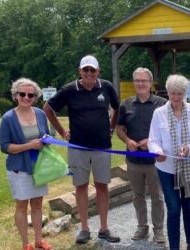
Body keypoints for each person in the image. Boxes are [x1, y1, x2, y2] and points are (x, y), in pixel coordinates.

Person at [43, 55, 120, 244]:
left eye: (92, 70)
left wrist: (111, 128)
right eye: (85, 70)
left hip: (102, 146)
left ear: (98, 71)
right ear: (80, 71)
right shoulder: (70, 89)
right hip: (78, 147)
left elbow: (117, 109)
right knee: (81, 186)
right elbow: (47, 108)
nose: (89, 73)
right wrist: (61, 131)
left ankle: (104, 228)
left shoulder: (107, 87)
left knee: (102, 186)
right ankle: (85, 229)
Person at [148, 74, 190, 250]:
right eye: (173, 93)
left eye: (180, 94)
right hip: (167, 168)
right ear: (167, 93)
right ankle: (174, 246)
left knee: (189, 206)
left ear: (185, 93)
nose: (176, 97)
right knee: (173, 208)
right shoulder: (159, 113)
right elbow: (153, 140)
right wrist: (157, 152)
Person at [0, 78, 52, 250]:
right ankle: (25, 244)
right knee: (22, 206)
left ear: (35, 97)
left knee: (37, 205)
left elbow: (48, 136)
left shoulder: (40, 114)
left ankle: (38, 240)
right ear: (15, 95)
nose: (26, 97)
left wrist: (47, 141)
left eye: (31, 94)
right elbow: (5, 147)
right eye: (22, 94)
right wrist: (29, 145)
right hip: (19, 169)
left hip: (38, 168)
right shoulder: (8, 118)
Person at [116, 67, 166, 243]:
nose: (140, 83)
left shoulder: (161, 103)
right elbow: (119, 128)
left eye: (144, 80)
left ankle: (158, 230)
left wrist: (151, 141)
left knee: (157, 197)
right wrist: (127, 141)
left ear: (150, 83)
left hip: (154, 161)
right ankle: (142, 227)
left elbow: (166, 129)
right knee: (137, 196)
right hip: (134, 160)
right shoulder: (126, 104)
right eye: (137, 80)